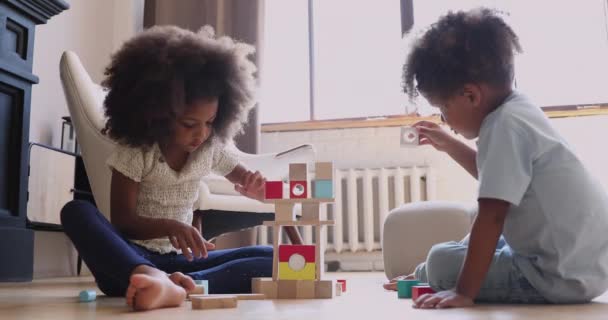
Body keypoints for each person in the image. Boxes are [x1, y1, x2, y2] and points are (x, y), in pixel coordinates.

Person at [384, 8, 608, 308]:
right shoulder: (519, 109)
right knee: (479, 242)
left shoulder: (502, 126)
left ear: (471, 96)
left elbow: (492, 215)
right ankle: (423, 273)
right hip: (586, 263)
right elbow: (497, 177)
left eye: (443, 109)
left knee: (443, 259)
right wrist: (450, 144)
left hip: (557, 277)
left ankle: (430, 273)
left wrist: (464, 292)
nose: (444, 119)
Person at [61, 25, 295, 311]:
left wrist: (259, 189)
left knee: (275, 257)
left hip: (184, 264)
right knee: (75, 211)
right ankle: (152, 278)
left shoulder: (210, 149)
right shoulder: (137, 152)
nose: (201, 134)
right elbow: (122, 221)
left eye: (210, 123)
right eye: (189, 124)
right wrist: (171, 227)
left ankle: (184, 286)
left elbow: (246, 177)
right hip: (129, 261)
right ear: (157, 113)